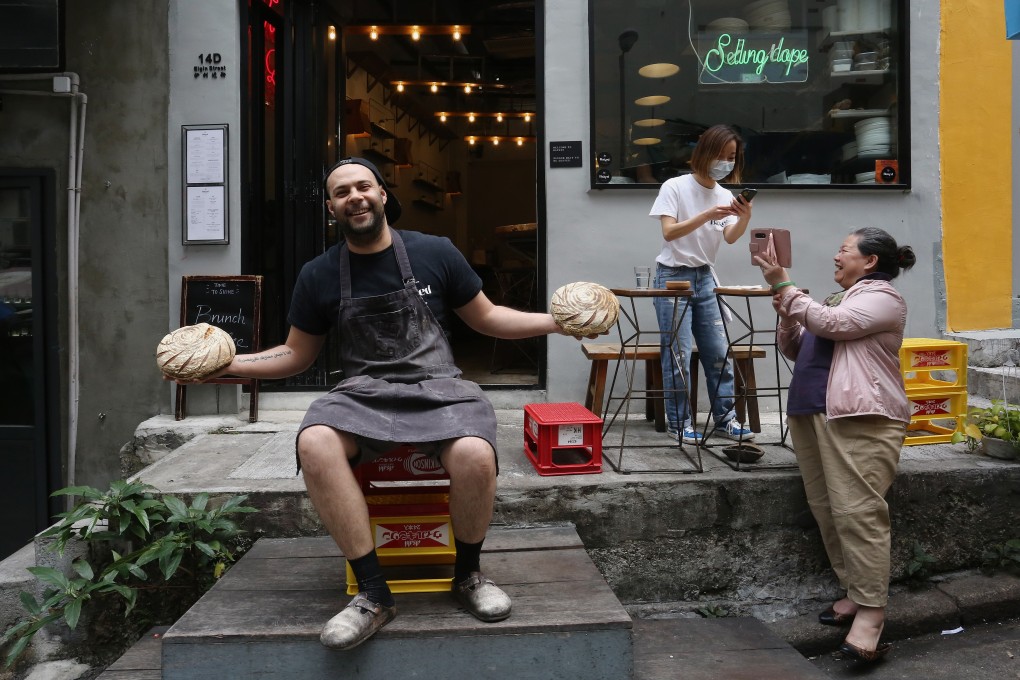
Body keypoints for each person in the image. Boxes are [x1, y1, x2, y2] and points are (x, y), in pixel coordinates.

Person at [204, 157, 581, 650]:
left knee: (474, 453)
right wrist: (228, 365)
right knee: (315, 440)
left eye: (363, 186)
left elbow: (488, 319)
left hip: (439, 387)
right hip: (364, 393)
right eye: (342, 192)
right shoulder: (318, 274)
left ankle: (467, 576)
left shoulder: (435, 253)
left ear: (383, 194)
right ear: (331, 208)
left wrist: (556, 322)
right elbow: (296, 355)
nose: (354, 197)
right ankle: (374, 594)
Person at [754, 227, 916, 663]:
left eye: (844, 251)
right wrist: (788, 313)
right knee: (828, 510)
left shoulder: (882, 297)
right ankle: (855, 594)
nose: (835, 257)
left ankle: (872, 616)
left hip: (860, 418)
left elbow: (835, 326)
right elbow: (796, 346)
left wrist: (783, 284)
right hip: (812, 413)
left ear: (870, 262)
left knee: (857, 513)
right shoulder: (834, 299)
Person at [648, 124, 756, 445]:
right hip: (673, 277)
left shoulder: (725, 195)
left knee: (718, 352)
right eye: (721, 156)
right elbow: (669, 232)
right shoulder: (675, 186)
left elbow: (731, 237)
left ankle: (726, 419)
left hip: (706, 276)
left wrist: (746, 216)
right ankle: (679, 422)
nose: (725, 162)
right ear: (704, 153)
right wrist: (707, 214)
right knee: (678, 353)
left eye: (732, 157)